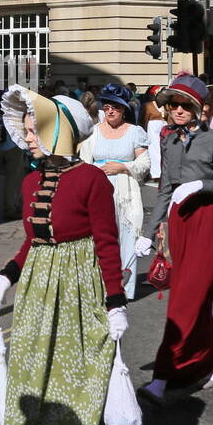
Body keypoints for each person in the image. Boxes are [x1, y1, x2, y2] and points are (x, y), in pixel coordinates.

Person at [0, 86, 126, 425]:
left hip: (79, 284)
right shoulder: (31, 180)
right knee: (31, 379)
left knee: (77, 380)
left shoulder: (92, 179)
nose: (27, 138)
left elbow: (106, 241)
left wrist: (116, 301)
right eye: (27, 131)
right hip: (38, 289)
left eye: (34, 130)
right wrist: (5, 277)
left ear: (59, 131)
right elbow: (32, 241)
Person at [137, 74, 213, 403]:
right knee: (191, 300)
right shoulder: (168, 140)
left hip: (205, 222)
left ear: (199, 108)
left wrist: (202, 187)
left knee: (186, 301)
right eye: (173, 104)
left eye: (185, 104)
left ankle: (163, 377)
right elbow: (166, 189)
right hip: (178, 224)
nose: (177, 110)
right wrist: (148, 231)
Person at [78, 82, 151, 301]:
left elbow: (145, 161)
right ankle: (102, 285)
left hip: (125, 189)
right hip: (99, 189)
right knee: (100, 236)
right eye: (107, 106)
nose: (111, 111)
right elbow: (83, 162)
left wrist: (123, 167)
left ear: (124, 110)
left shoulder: (134, 132)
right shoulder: (94, 132)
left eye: (116, 107)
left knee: (127, 236)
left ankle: (125, 289)